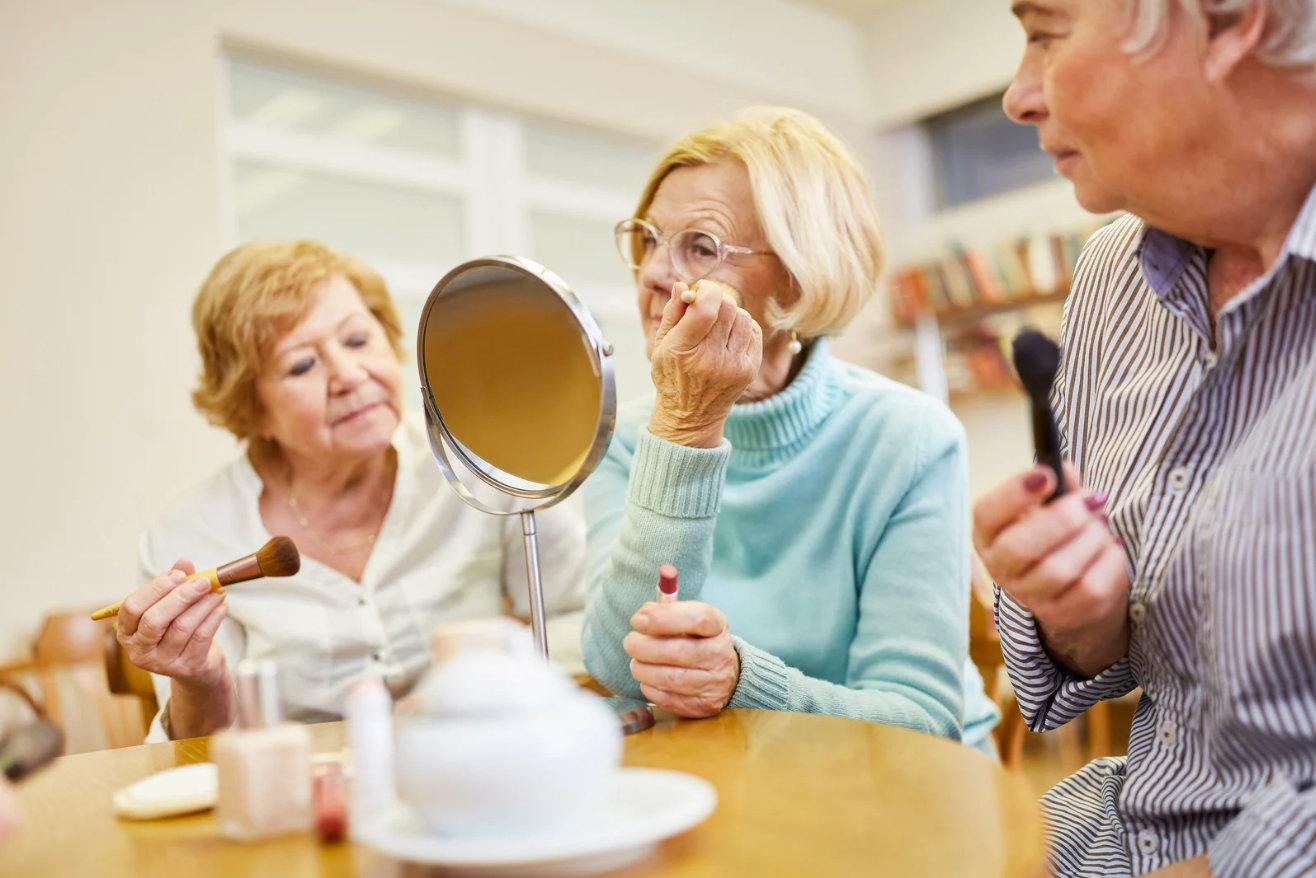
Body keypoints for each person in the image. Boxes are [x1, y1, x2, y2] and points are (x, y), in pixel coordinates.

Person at [974, 1, 1316, 875]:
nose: (1018, 95)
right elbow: (1096, 665)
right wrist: (1080, 611)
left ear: (1232, 20)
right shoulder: (1112, 275)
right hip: (1111, 830)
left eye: (1045, 32)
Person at [581, 107, 1000, 755]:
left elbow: (921, 720)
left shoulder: (909, 438)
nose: (655, 275)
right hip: (722, 782)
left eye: (699, 247)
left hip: (894, 789)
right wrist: (684, 428)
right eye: (647, 240)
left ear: (800, 281)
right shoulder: (627, 439)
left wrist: (742, 682)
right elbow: (619, 665)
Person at [116, 241, 586, 741]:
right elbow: (202, 744)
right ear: (252, 409)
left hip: (479, 759)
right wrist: (198, 679)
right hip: (300, 797)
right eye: (301, 366)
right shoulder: (190, 533)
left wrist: (482, 680)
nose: (348, 375)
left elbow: (584, 616)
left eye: (358, 340)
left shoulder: (479, 462)